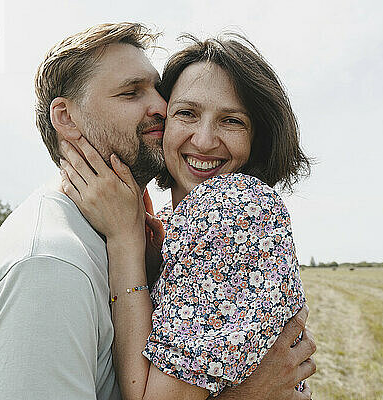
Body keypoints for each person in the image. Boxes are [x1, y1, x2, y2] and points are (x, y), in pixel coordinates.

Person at [0, 23, 315, 400]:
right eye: (132, 93)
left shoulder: (224, 210)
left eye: (232, 120)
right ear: (65, 117)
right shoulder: (48, 264)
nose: (161, 108)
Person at [59, 33, 313, 400]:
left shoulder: (231, 207)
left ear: (258, 137)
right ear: (163, 122)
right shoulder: (173, 220)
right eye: (187, 114)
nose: (205, 140)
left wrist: (124, 241)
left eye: (232, 121)